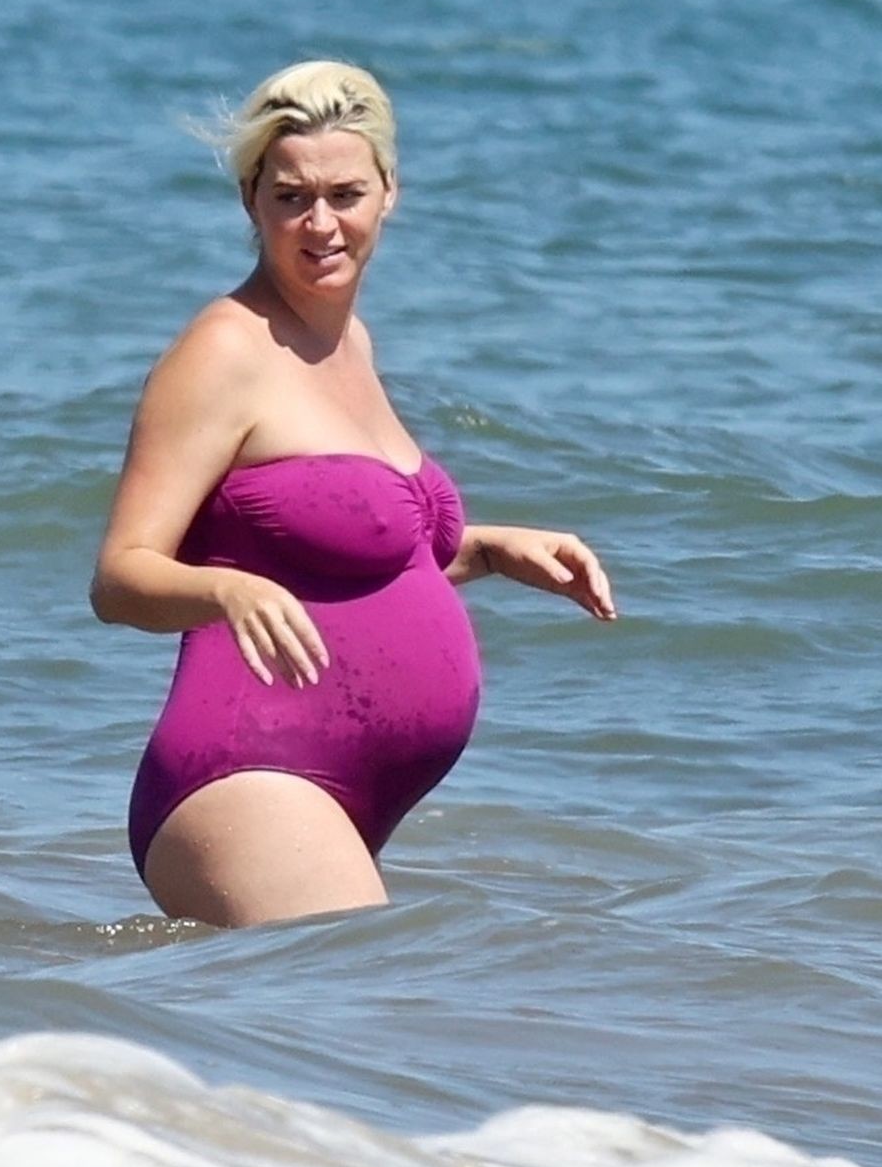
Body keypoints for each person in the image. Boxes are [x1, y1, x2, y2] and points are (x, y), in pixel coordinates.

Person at [90, 59, 615, 929]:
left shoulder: (349, 343)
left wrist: (487, 550)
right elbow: (120, 576)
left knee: (358, 1011)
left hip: (340, 791)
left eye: (345, 194)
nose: (321, 223)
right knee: (392, 996)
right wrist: (225, 590)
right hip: (249, 766)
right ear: (251, 201)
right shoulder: (224, 350)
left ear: (389, 193)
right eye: (291, 197)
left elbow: (339, 556)